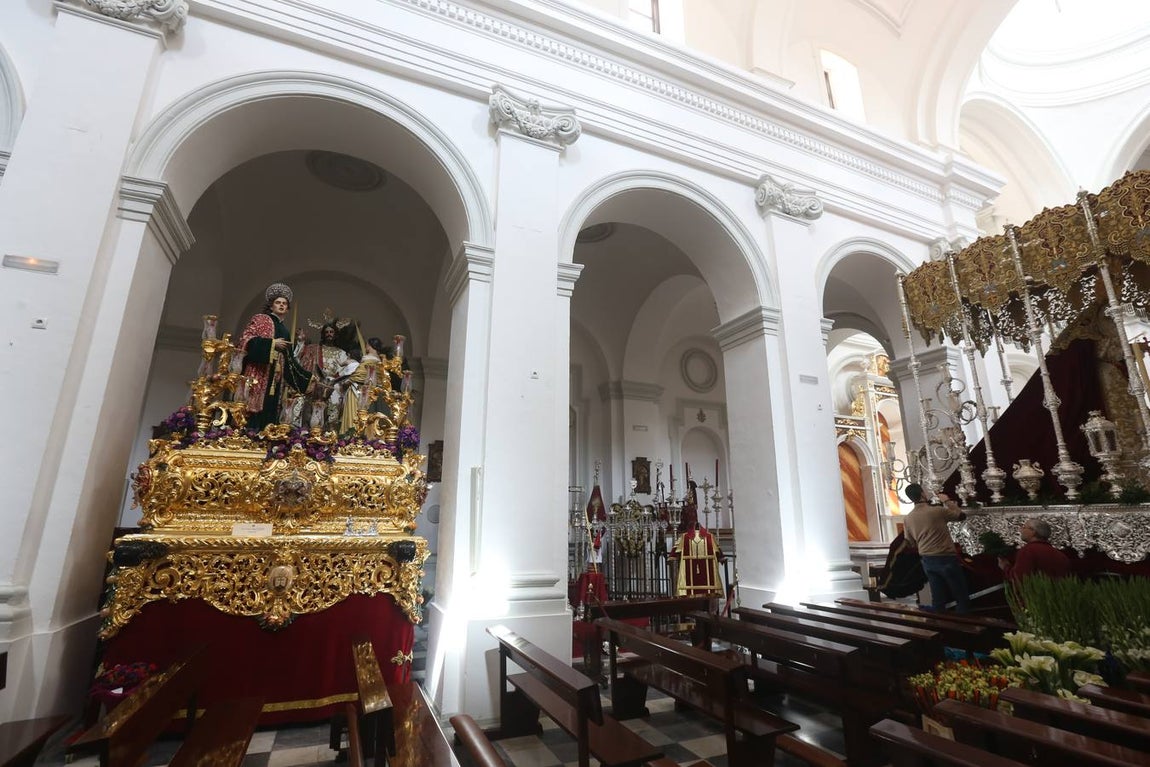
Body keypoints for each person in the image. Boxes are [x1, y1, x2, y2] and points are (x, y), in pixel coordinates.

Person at [238, 283, 312, 432]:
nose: (282, 305)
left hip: (276, 378)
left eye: (284, 303)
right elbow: (245, 340)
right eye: (278, 302)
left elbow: (290, 361)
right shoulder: (261, 319)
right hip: (259, 374)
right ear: (271, 306)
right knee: (252, 413)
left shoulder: (284, 330)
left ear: (288, 308)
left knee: (270, 412)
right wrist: (272, 344)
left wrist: (308, 379)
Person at [902, 483, 969, 613]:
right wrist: (947, 501)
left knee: (938, 598)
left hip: (927, 559)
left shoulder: (908, 518)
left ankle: (939, 621)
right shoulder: (937, 511)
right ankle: (964, 619)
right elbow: (961, 516)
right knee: (960, 595)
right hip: (945, 556)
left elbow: (910, 542)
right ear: (922, 494)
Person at [299, 322, 349, 429]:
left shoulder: (341, 353)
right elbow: (301, 357)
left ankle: (331, 428)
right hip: (316, 381)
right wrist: (301, 341)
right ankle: (307, 428)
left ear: (335, 334)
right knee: (304, 401)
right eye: (326, 332)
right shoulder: (314, 349)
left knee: (335, 399)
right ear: (323, 334)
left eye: (331, 332)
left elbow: (344, 371)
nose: (329, 334)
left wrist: (334, 380)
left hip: (333, 383)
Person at [998, 518, 1072, 581]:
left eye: (1024, 527)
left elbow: (1020, 578)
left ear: (1033, 531)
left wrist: (1005, 567)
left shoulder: (1028, 551)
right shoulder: (1060, 555)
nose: (1021, 530)